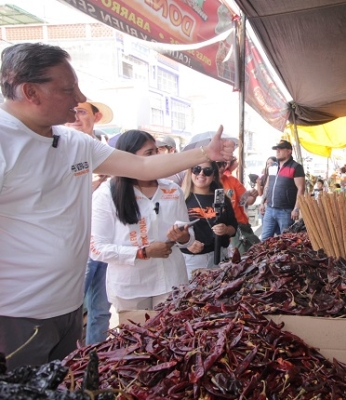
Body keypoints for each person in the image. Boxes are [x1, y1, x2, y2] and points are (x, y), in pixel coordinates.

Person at [0, 42, 234, 370]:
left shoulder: (75, 143)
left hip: (67, 307)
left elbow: (142, 167)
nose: (80, 98)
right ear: (30, 92)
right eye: (68, 89)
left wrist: (203, 154)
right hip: (16, 315)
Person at [90, 130, 192, 315]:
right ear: (129, 157)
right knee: (136, 340)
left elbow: (189, 237)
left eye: (156, 151)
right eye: (149, 153)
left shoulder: (172, 190)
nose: (156, 158)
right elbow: (96, 248)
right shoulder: (106, 195)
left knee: (172, 340)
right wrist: (142, 252)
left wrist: (184, 237)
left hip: (171, 283)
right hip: (131, 289)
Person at [65, 101, 115, 345]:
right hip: (75, 246)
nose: (75, 117)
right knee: (69, 310)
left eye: (81, 112)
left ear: (95, 117)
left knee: (101, 309)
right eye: (72, 112)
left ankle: (96, 358)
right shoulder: (58, 147)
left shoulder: (105, 151)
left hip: (106, 243)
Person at [180, 161, 237, 278]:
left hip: (220, 257)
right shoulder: (181, 199)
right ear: (191, 172)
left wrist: (225, 229)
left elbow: (234, 227)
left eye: (207, 171)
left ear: (214, 175)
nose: (201, 174)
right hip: (192, 260)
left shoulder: (222, 198)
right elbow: (171, 230)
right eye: (197, 169)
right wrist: (186, 243)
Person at [259, 140, 306, 240]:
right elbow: (267, 185)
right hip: (270, 209)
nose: (277, 151)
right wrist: (262, 202)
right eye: (277, 149)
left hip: (285, 211)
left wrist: (296, 209)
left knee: (285, 240)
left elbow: (301, 189)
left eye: (281, 149)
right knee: (264, 240)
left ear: (289, 151)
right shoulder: (273, 166)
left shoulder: (296, 167)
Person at [217, 160, 260, 254]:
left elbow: (244, 202)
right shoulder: (205, 185)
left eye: (223, 164)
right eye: (217, 164)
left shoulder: (232, 180)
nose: (220, 168)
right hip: (217, 231)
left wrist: (253, 195)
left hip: (239, 227)